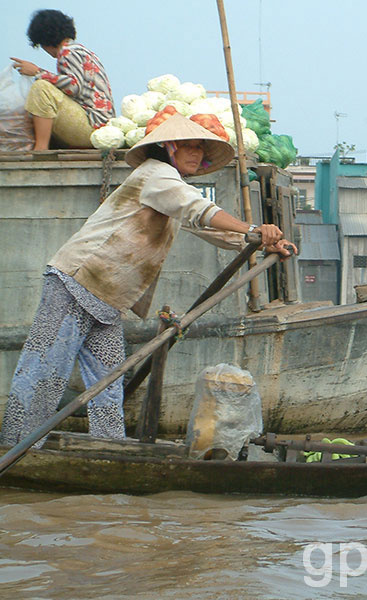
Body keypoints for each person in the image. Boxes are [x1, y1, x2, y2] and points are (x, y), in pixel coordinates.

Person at [0, 111, 296, 447]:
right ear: (169, 148)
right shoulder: (157, 175)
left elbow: (206, 226)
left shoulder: (170, 187)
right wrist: (253, 229)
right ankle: (18, 447)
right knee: (45, 371)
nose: (196, 154)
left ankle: (109, 449)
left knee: (108, 382)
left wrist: (260, 241)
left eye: (199, 148)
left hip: (108, 298)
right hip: (75, 282)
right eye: (188, 146)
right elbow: (198, 210)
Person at [10, 9, 114, 150]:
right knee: (44, 90)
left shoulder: (68, 52)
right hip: (100, 127)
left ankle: (41, 149)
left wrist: (37, 72)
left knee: (41, 88)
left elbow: (73, 86)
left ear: (46, 39)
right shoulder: (79, 50)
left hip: (93, 126)